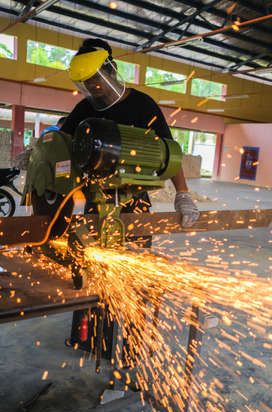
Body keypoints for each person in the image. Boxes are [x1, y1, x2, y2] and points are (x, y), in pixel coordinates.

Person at [62, 38, 199, 354]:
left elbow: (170, 153)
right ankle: (88, 340)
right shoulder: (83, 109)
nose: (92, 86)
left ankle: (133, 345)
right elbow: (63, 143)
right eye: (85, 82)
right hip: (94, 204)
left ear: (111, 69)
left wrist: (183, 195)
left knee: (135, 278)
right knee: (88, 273)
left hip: (132, 204)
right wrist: (39, 149)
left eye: (96, 78)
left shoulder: (142, 105)